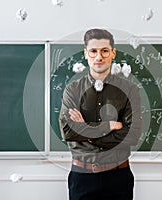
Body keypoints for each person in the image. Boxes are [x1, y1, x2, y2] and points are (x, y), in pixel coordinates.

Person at [59, 28, 142, 200]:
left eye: (104, 51)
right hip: (82, 177)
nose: (99, 57)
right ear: (86, 53)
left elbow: (132, 135)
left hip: (118, 178)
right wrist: (110, 126)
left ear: (113, 53)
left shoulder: (129, 90)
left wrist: (86, 132)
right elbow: (68, 131)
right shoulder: (73, 90)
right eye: (94, 51)